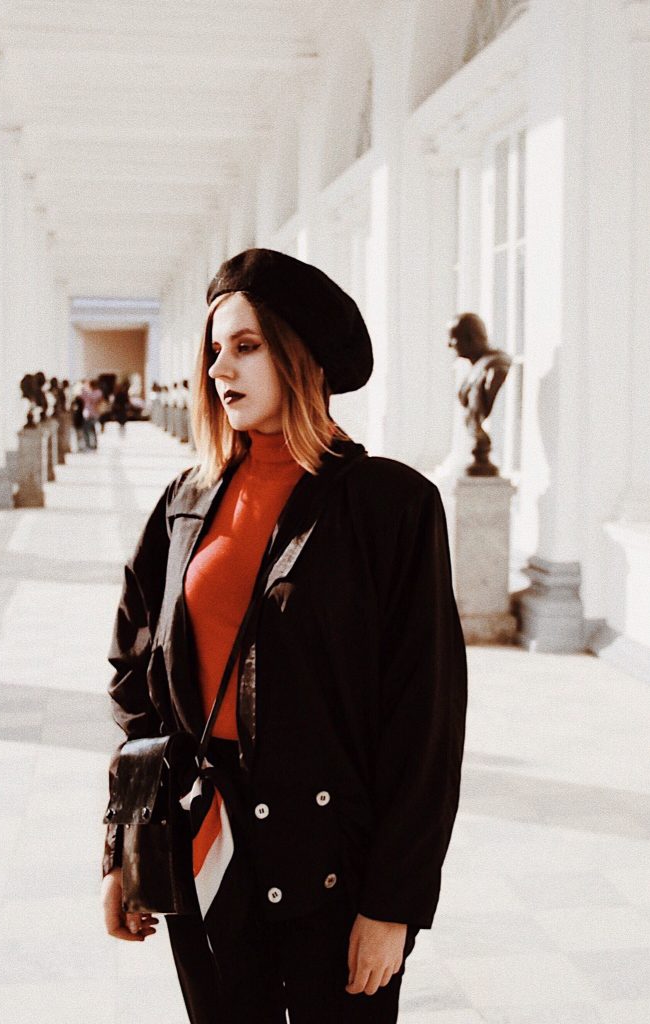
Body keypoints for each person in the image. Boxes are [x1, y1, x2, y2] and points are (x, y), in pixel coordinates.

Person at [101, 248, 467, 1023]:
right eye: (214, 350)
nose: (218, 369)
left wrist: (394, 904)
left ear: (300, 356)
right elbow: (136, 680)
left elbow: (424, 721)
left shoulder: (392, 507)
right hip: (206, 846)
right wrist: (125, 845)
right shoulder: (187, 501)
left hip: (335, 863)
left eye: (246, 346)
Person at [447, 312, 511, 476]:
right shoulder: (476, 369)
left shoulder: (495, 369)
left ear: (471, 338)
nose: (449, 345)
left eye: (453, 338)